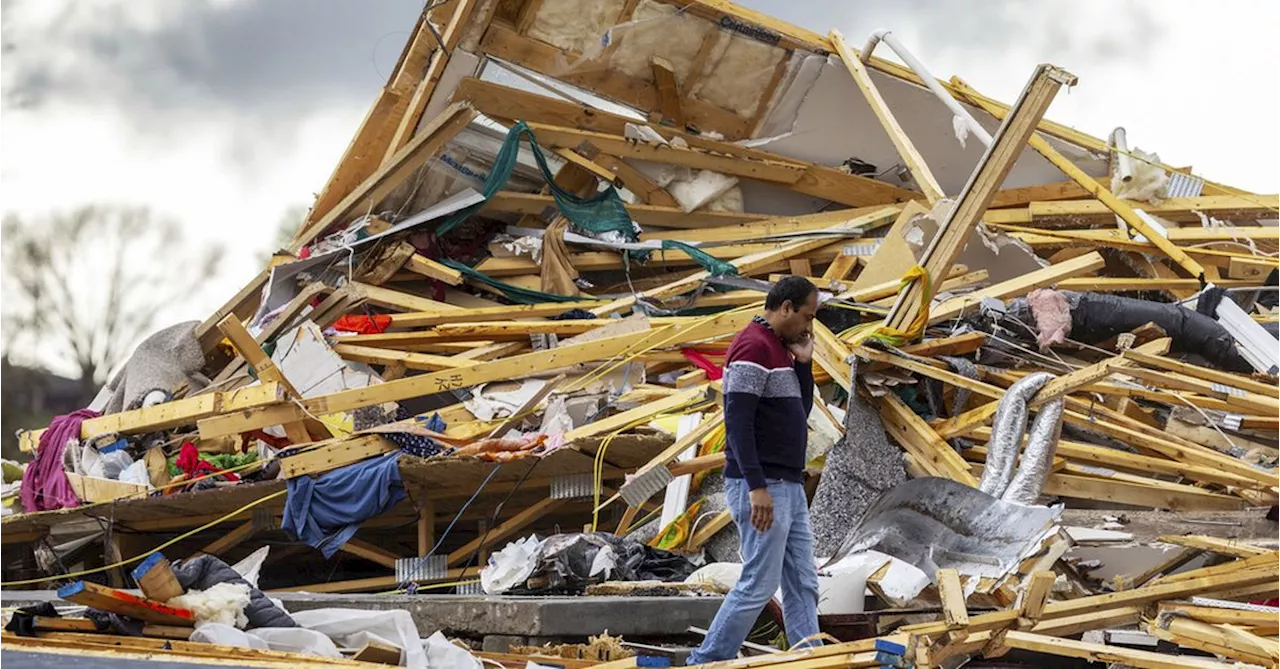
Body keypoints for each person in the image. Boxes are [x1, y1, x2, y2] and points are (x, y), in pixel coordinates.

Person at [689, 276, 821, 664]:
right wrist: (756, 486)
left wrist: (804, 365)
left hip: (789, 485)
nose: (809, 326)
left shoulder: (780, 349)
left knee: (803, 582)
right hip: (764, 485)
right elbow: (738, 423)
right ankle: (707, 660)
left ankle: (809, 658)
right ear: (785, 308)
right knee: (759, 583)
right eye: (807, 316)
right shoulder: (752, 347)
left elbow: (802, 410)